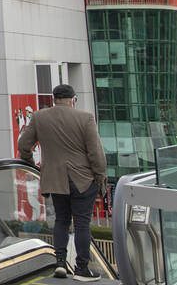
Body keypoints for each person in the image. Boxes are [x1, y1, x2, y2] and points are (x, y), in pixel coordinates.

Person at [17, 84, 107, 281]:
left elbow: (23, 145)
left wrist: (32, 163)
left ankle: (60, 263)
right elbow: (96, 154)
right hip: (82, 180)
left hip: (55, 180)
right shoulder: (85, 118)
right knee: (82, 223)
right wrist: (100, 178)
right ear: (73, 99)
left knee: (61, 220)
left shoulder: (40, 117)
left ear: (54, 99)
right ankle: (82, 269)